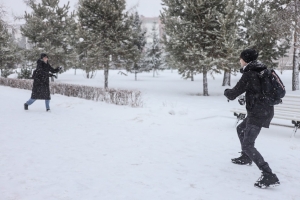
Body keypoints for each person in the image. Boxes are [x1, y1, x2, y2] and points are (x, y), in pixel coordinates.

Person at [224, 49, 280, 189]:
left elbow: (232, 94)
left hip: (257, 113)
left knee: (248, 144)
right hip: (265, 110)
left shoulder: (249, 74)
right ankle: (246, 156)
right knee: (240, 128)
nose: (239, 60)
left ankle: (268, 174)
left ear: (245, 59)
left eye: (240, 58)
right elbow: (258, 91)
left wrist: (226, 91)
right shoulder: (263, 70)